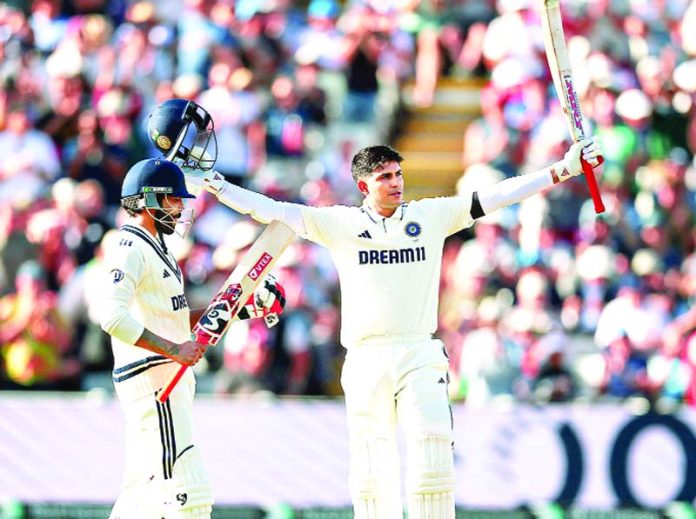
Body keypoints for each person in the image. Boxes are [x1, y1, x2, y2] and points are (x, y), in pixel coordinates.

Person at [147, 99, 601, 518]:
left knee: (432, 465)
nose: (396, 183)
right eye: (385, 177)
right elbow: (270, 211)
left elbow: (496, 196)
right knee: (372, 474)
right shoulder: (340, 224)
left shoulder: (431, 216)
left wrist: (560, 171)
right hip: (365, 357)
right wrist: (216, 184)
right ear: (363, 184)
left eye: (399, 174)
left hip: (419, 352)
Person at [98, 157, 285, 518]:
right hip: (154, 380)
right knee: (184, 489)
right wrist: (174, 350)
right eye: (174, 200)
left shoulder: (158, 246)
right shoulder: (130, 246)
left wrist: (245, 307)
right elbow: (112, 316)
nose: (182, 207)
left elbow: (177, 319)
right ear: (149, 200)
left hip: (165, 376)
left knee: (143, 491)